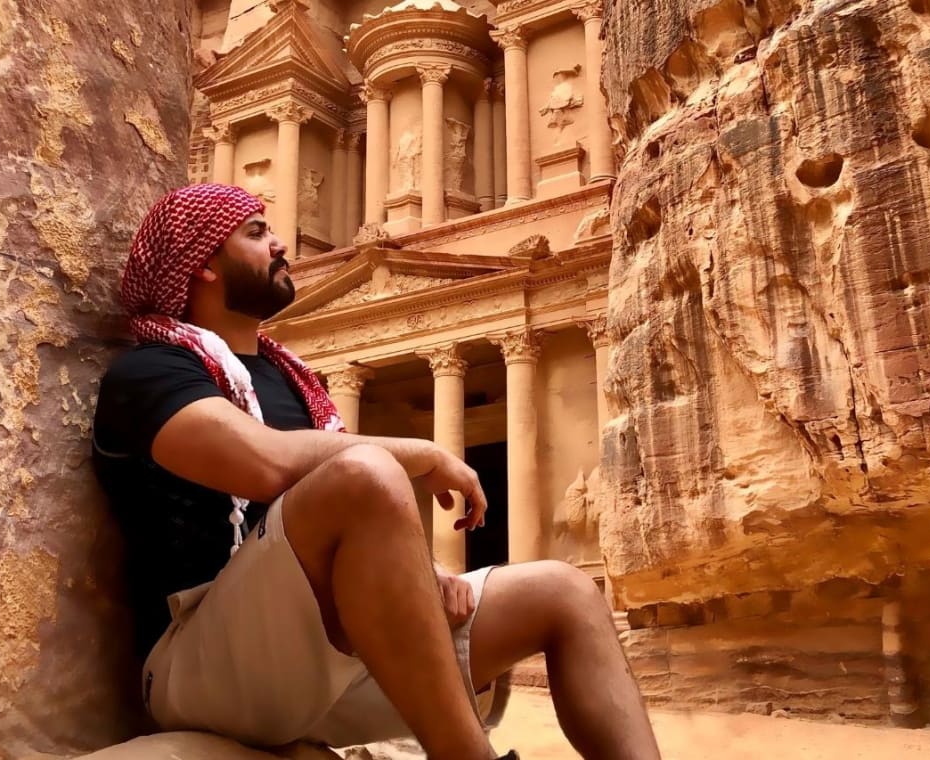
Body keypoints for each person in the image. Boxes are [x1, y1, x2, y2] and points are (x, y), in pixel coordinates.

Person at [91, 184, 661, 760]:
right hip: (201, 665)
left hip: (326, 661)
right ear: (203, 263)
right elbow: (265, 463)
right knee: (365, 474)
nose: (281, 243)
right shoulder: (152, 372)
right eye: (256, 233)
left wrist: (413, 570)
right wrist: (424, 454)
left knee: (564, 593)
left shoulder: (295, 381)